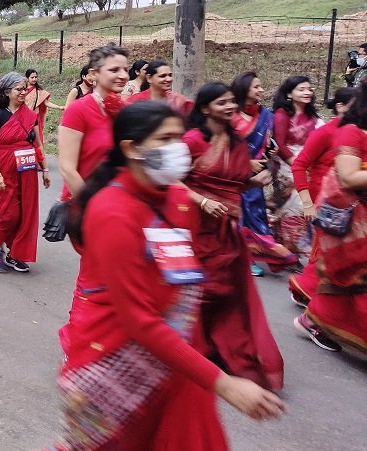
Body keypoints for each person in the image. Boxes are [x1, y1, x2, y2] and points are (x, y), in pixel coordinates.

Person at [54, 101, 284, 450]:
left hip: (178, 358)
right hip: (121, 360)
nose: (178, 148)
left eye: (179, 137)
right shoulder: (112, 212)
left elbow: (181, 281)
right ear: (131, 149)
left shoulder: (177, 198)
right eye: (165, 139)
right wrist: (222, 382)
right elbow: (139, 320)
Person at [183, 82, 284, 391]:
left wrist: (258, 182)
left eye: (231, 102)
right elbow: (171, 182)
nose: (229, 107)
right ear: (204, 108)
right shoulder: (191, 141)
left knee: (229, 291)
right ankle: (190, 351)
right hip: (195, 227)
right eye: (221, 102)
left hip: (228, 229)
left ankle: (220, 349)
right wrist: (202, 201)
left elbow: (235, 185)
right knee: (199, 289)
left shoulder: (236, 141)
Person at [294, 82, 367, 355]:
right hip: (348, 218)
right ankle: (317, 318)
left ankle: (317, 318)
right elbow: (347, 176)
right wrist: (306, 202)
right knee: (351, 281)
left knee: (350, 286)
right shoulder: (349, 132)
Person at [288, 87, 359, 308]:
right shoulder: (327, 132)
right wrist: (308, 203)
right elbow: (299, 165)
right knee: (326, 257)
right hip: (327, 206)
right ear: (341, 107)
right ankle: (316, 303)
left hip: (352, 207)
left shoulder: (358, 133)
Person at [230, 71, 297, 277]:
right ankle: (243, 258)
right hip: (233, 173)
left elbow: (272, 144)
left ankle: (262, 254)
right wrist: (245, 162)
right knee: (237, 217)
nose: (261, 90)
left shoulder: (266, 116)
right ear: (244, 89)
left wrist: (268, 158)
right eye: (256, 87)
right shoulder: (230, 115)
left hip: (257, 175)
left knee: (255, 215)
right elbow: (223, 145)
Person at [0, 72, 50, 273]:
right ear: (6, 91)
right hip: (5, 168)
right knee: (10, 213)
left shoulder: (30, 115)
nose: (23, 93)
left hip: (28, 168)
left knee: (26, 213)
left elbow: (38, 144)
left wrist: (45, 168)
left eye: (24, 89)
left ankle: (16, 253)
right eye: (18, 89)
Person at [58, 45, 129, 201]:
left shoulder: (126, 110)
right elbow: (67, 169)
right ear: (93, 74)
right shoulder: (78, 110)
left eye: (126, 69)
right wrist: (92, 207)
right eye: (114, 70)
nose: (123, 75)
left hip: (118, 201)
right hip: (86, 204)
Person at [270, 75, 321, 262]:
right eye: (301, 89)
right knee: (293, 207)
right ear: (290, 94)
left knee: (303, 206)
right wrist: (298, 165)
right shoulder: (282, 115)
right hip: (287, 165)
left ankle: (293, 250)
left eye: (309, 89)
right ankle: (291, 251)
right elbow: (280, 144)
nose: (307, 93)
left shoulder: (312, 116)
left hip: (309, 162)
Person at [128, 60, 194, 118]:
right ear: (149, 78)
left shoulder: (179, 101)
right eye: (162, 76)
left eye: (170, 75)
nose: (169, 79)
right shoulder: (135, 101)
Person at [23, 68, 64, 145]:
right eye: (32, 77)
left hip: (35, 118)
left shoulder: (39, 91)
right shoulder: (22, 90)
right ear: (27, 78)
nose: (34, 79)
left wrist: (59, 107)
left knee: (37, 139)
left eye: (36, 77)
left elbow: (46, 103)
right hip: (23, 118)